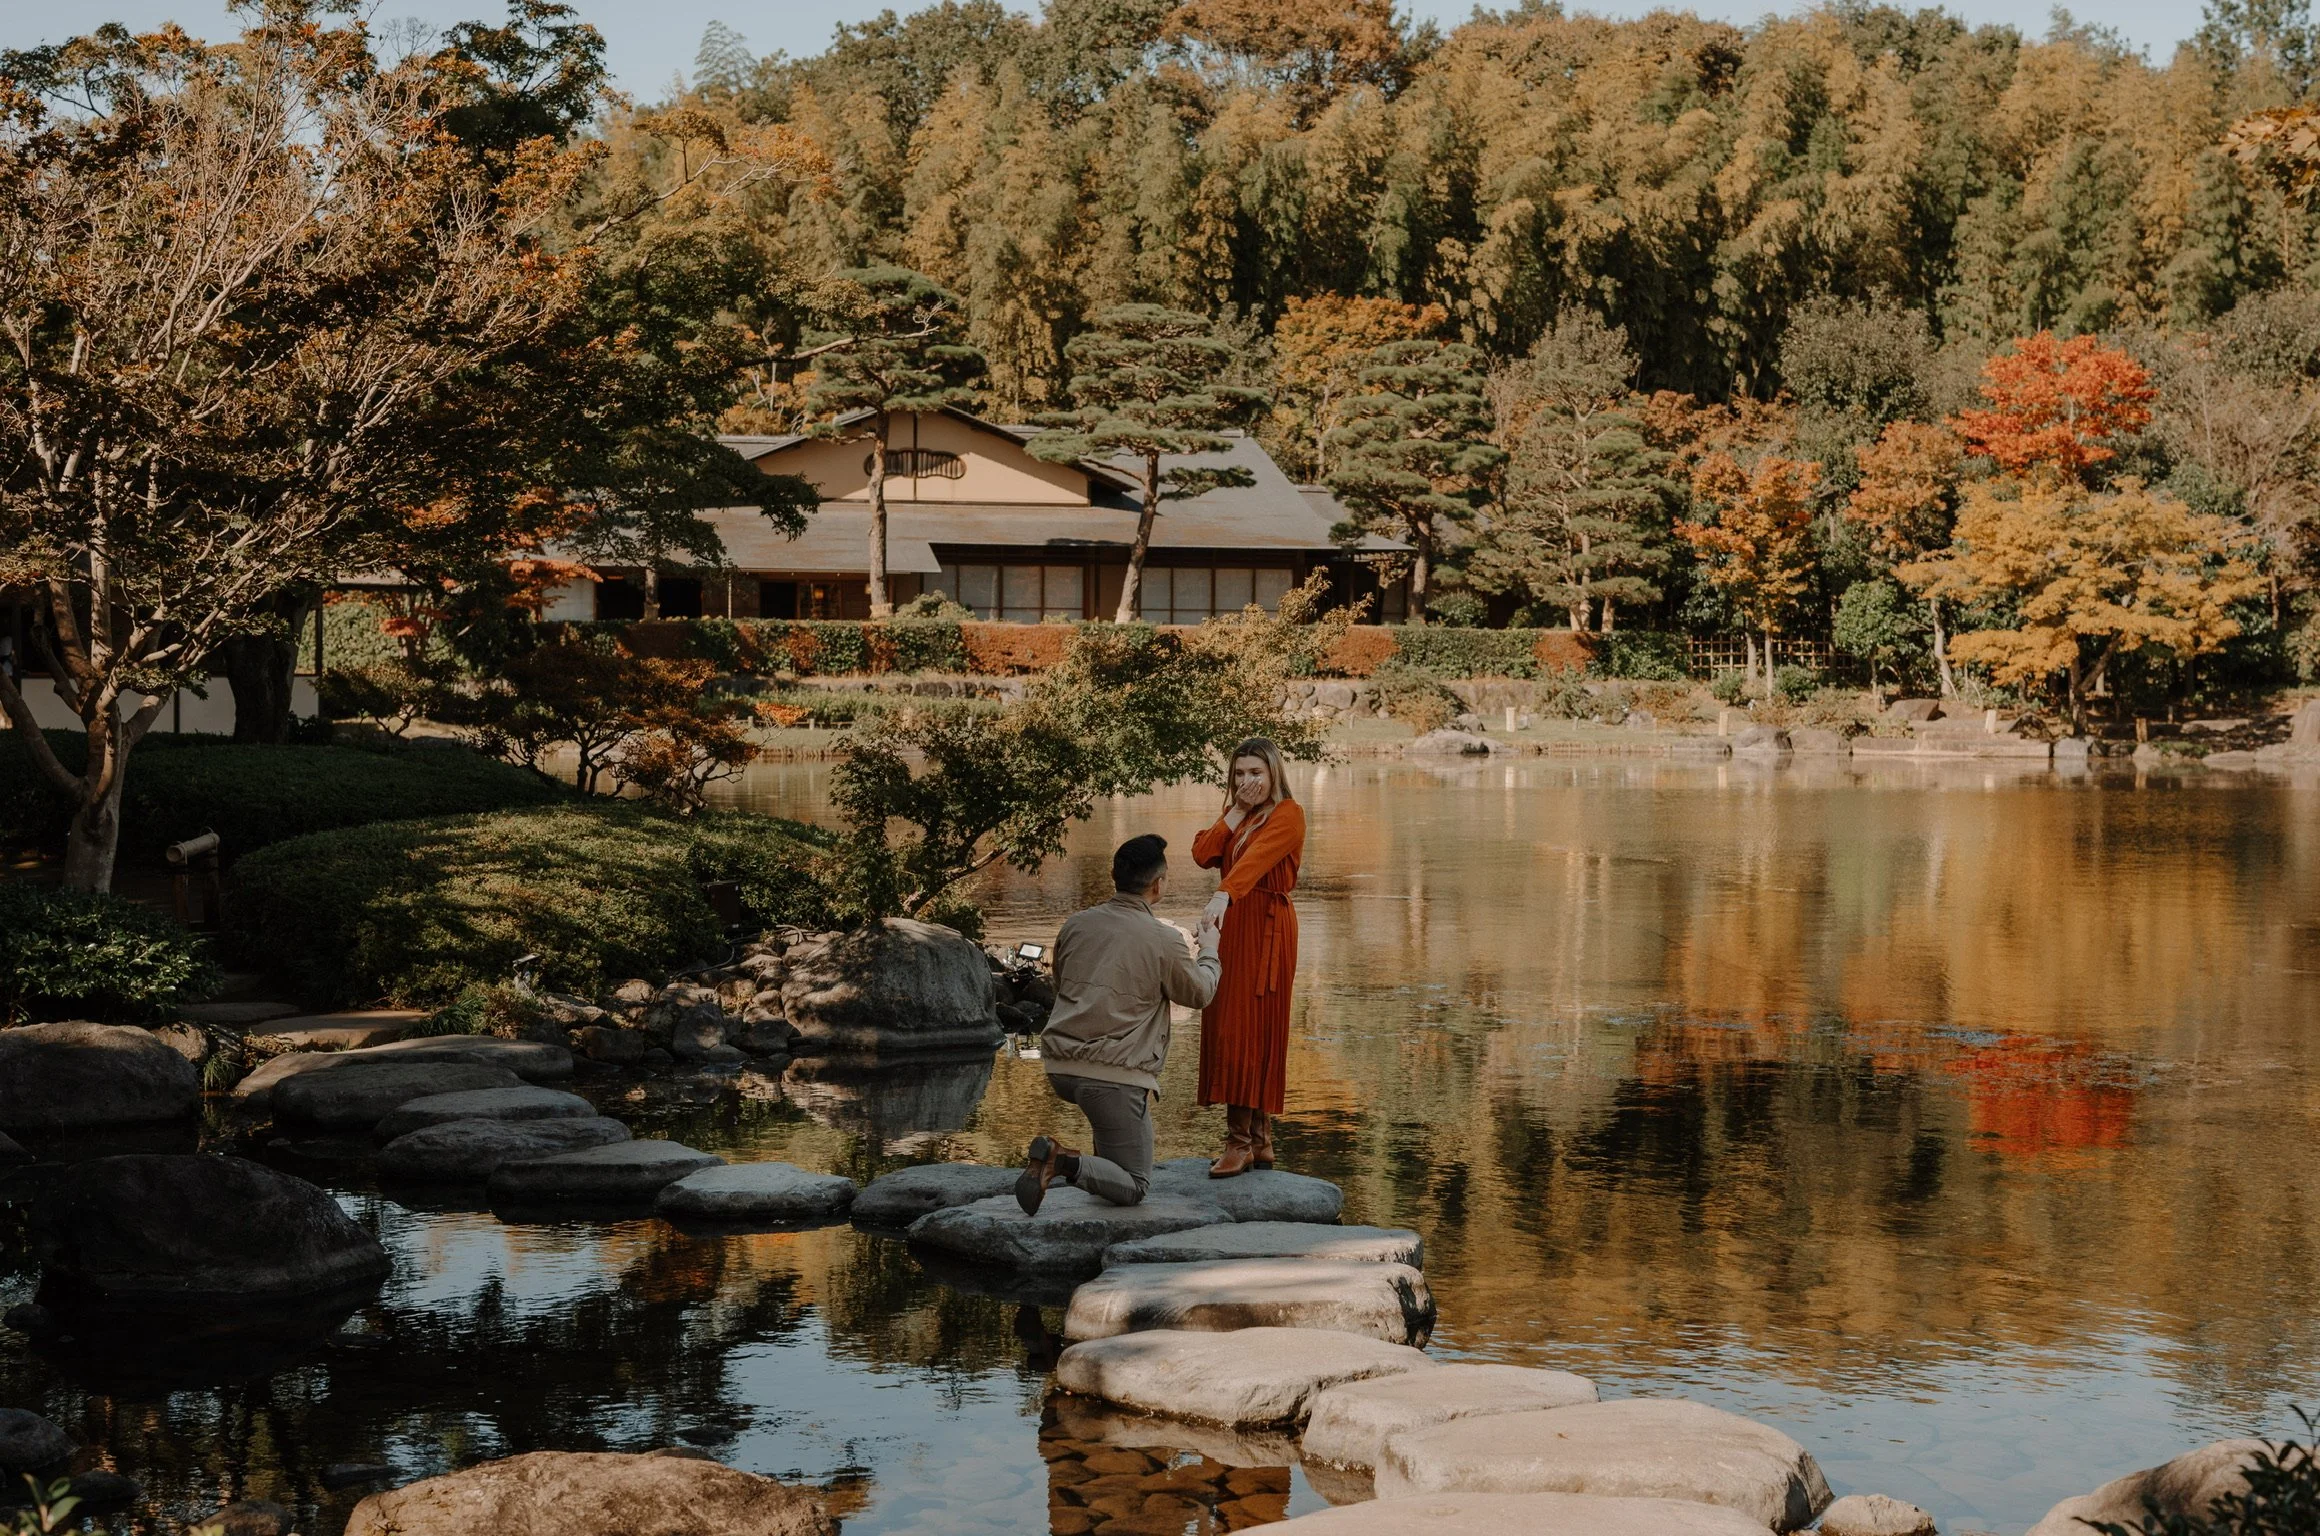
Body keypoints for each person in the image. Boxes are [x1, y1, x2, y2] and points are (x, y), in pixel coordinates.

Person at [1016, 833, 1222, 1214]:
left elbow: (1062, 986)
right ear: (1158, 885)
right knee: (1135, 1187)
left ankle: (1079, 1164)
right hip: (1112, 1077)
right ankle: (1059, 1161)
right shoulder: (1163, 939)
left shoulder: (1075, 925)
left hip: (1061, 1067)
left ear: (1114, 876)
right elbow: (1199, 995)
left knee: (1110, 1147)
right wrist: (1210, 947)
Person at [1192, 737, 1306, 1178]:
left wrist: (1224, 894)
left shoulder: (1288, 814)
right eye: (1239, 774)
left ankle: (1238, 1143)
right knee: (1232, 1024)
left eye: (1255, 773)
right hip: (1233, 924)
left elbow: (1254, 863)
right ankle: (1259, 1140)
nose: (1247, 782)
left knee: (1250, 1027)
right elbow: (1204, 853)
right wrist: (1234, 811)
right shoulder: (1239, 815)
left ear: (1273, 773)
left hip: (1266, 927)